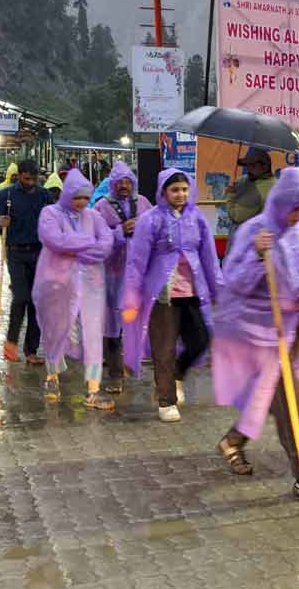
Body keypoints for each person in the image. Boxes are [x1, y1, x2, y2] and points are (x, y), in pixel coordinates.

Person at [212, 167, 299, 502]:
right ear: (280, 202)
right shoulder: (255, 232)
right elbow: (233, 282)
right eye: (295, 208)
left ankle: (233, 441)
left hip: (289, 331)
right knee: (289, 404)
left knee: (268, 396)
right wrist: (255, 255)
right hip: (255, 335)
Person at [120, 168, 220, 422]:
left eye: (184, 189)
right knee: (163, 348)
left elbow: (209, 258)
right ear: (164, 191)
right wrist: (132, 295)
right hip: (161, 295)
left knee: (201, 339)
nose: (180, 194)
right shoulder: (150, 220)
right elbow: (137, 261)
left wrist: (219, 288)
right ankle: (165, 399)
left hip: (192, 292)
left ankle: (177, 374)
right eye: (175, 190)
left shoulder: (197, 218)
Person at [32, 169, 116, 409]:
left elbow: (106, 245)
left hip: (91, 284)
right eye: (76, 197)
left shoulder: (94, 216)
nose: (80, 202)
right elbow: (54, 240)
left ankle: (93, 388)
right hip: (57, 283)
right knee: (55, 329)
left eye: (84, 197)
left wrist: (73, 247)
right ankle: (52, 377)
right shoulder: (50, 213)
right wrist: (88, 244)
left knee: (93, 334)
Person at [95, 160, 153, 394]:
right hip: (112, 274)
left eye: (129, 182)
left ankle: (137, 363)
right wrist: (120, 232)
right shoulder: (101, 207)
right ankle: (115, 374)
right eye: (120, 182)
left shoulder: (144, 204)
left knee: (139, 320)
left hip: (139, 273)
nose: (125, 186)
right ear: (113, 184)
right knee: (112, 325)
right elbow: (97, 239)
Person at [0, 160, 52, 365]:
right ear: (19, 176)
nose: (31, 183)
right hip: (16, 252)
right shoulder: (6, 195)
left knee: (37, 300)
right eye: (27, 179)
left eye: (34, 179)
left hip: (40, 252)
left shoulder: (44, 195)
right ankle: (11, 341)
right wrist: (0, 223)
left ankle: (31, 350)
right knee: (21, 297)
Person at [225, 147, 277, 248]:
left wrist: (230, 195)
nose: (248, 169)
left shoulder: (256, 192)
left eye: (253, 165)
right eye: (247, 165)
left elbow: (236, 216)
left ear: (265, 167)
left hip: (248, 246)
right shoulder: (276, 182)